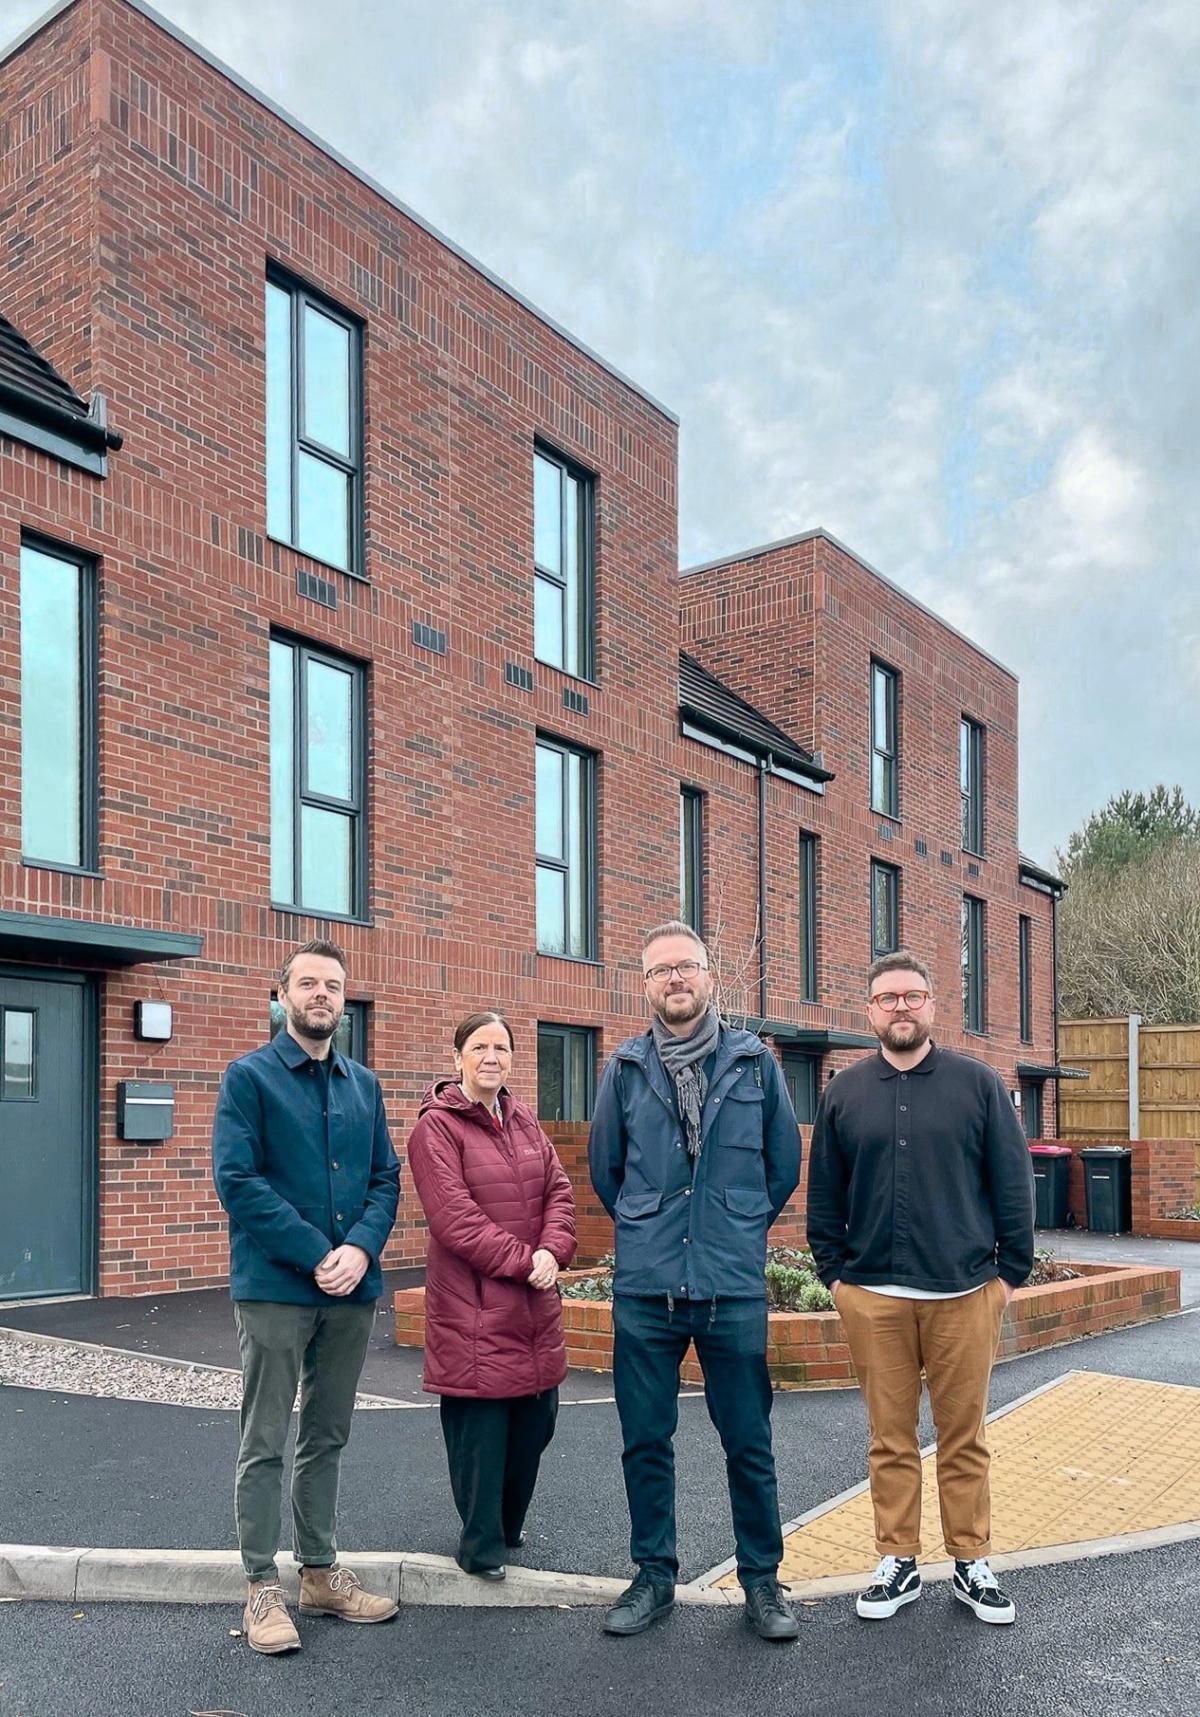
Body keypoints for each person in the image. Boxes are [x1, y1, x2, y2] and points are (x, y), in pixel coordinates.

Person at [806, 949, 1035, 1627]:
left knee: (964, 1435)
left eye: (912, 994)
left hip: (965, 1292)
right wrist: (836, 1278)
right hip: (873, 1295)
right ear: (869, 1009)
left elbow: (1013, 1181)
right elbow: (824, 1194)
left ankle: (972, 1560)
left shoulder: (978, 1084)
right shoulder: (845, 1092)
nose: (900, 1006)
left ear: (932, 1004)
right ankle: (897, 1559)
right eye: (887, 996)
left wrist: (1008, 1276)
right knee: (890, 1436)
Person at [588, 922, 802, 1642]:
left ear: (709, 976)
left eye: (687, 967)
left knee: (748, 1439)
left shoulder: (753, 1064)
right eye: (660, 971)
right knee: (645, 1439)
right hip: (647, 1291)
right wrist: (651, 1230)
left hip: (730, 1288)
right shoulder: (622, 1069)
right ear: (644, 984)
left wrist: (736, 1227)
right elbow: (606, 1173)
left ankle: (763, 1581)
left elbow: (782, 1167)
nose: (675, 980)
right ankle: (654, 1575)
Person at [212, 939, 401, 1654]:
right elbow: (239, 1181)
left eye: (333, 984)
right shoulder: (249, 1078)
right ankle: (261, 1584)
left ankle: (319, 1572)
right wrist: (316, 1251)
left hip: (350, 1290)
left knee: (327, 1433)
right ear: (282, 993)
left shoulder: (364, 1085)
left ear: (344, 998)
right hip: (275, 1289)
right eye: (308, 983)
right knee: (264, 1439)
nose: (322, 994)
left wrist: (359, 1248)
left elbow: (386, 1178)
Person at [407, 1011, 576, 1580]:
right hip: (473, 1309)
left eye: (501, 1047)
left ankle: (506, 1526)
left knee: (536, 1422)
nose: (491, 1057)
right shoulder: (437, 1128)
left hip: (533, 1307)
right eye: (479, 1047)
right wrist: (528, 1261)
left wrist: (553, 1250)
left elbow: (559, 1190)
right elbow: (454, 1219)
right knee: (481, 1434)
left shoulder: (525, 1121)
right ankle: (480, 1545)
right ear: (458, 1059)